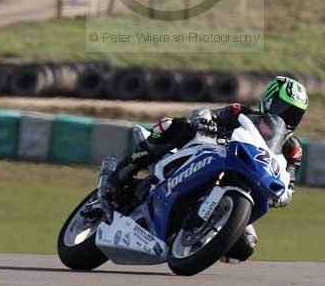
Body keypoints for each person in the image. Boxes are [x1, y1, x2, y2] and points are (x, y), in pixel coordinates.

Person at [106, 75, 309, 262]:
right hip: (205, 153)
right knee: (174, 126)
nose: (288, 116)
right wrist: (205, 120)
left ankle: (199, 241)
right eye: (284, 107)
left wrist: (283, 195)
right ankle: (122, 172)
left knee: (246, 246)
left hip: (248, 182)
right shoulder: (242, 113)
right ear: (270, 100)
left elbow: (288, 181)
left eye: (295, 114)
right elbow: (208, 114)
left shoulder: (293, 149)